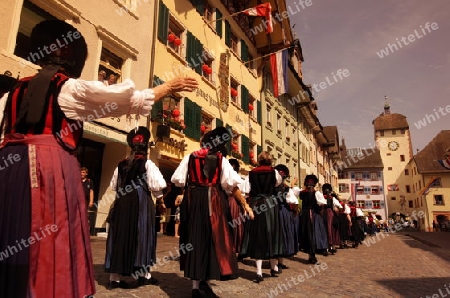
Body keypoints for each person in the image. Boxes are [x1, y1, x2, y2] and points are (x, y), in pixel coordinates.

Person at [0, 20, 198, 298]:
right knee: (50, 233)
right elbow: (123, 99)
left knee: (13, 231)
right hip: (49, 167)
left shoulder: (11, 94)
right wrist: (168, 87)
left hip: (9, 168)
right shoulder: (67, 89)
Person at [171, 126, 253, 298]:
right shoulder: (221, 159)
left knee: (194, 238)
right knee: (213, 239)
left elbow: (177, 180)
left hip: (193, 200)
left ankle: (195, 287)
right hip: (213, 200)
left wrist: (191, 186)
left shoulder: (190, 156)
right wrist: (245, 204)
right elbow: (230, 184)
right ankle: (206, 283)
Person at [105, 126, 166, 289]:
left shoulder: (121, 164)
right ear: (145, 147)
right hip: (141, 203)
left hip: (122, 202)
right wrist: (160, 202)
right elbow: (158, 185)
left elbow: (114, 186)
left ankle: (114, 278)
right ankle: (145, 275)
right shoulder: (148, 164)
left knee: (119, 236)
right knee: (143, 236)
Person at [240, 152, 283, 283]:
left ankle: (259, 272)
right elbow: (277, 184)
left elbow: (246, 190)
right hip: (270, 205)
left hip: (257, 204)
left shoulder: (251, 173)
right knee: (272, 233)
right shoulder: (274, 172)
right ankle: (273, 267)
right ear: (270, 160)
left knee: (258, 234)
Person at [274, 164, 300, 272]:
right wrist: (294, 211)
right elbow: (294, 201)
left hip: (273, 211)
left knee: (275, 236)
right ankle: (279, 263)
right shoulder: (286, 189)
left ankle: (275, 263)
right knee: (283, 236)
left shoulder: (271, 187)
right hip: (283, 212)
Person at [299, 174, 327, 264]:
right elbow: (322, 205)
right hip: (314, 215)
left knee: (307, 234)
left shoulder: (302, 192)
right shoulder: (317, 193)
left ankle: (311, 255)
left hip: (304, 215)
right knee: (314, 234)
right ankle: (313, 255)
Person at [321, 184, 342, 254]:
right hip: (330, 214)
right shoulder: (332, 198)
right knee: (330, 230)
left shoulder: (321, 197)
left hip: (322, 213)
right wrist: (336, 209)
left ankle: (325, 247)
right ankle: (331, 246)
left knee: (323, 229)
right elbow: (340, 207)